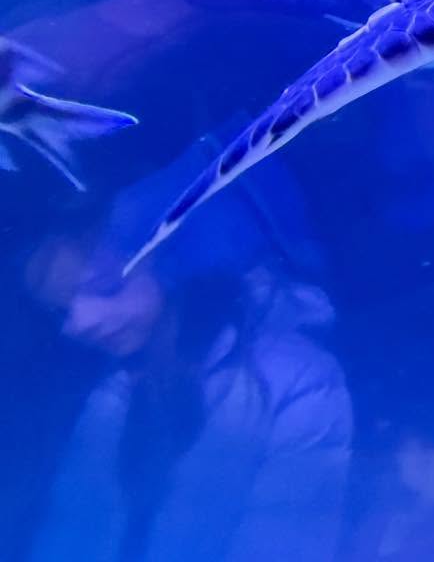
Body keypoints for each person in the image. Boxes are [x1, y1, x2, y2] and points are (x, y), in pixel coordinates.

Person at [22, 158, 352, 562]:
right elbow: (71, 531)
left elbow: (287, 540)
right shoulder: (112, 395)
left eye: (105, 287)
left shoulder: (292, 380)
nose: (80, 324)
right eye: (61, 311)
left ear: (173, 259)